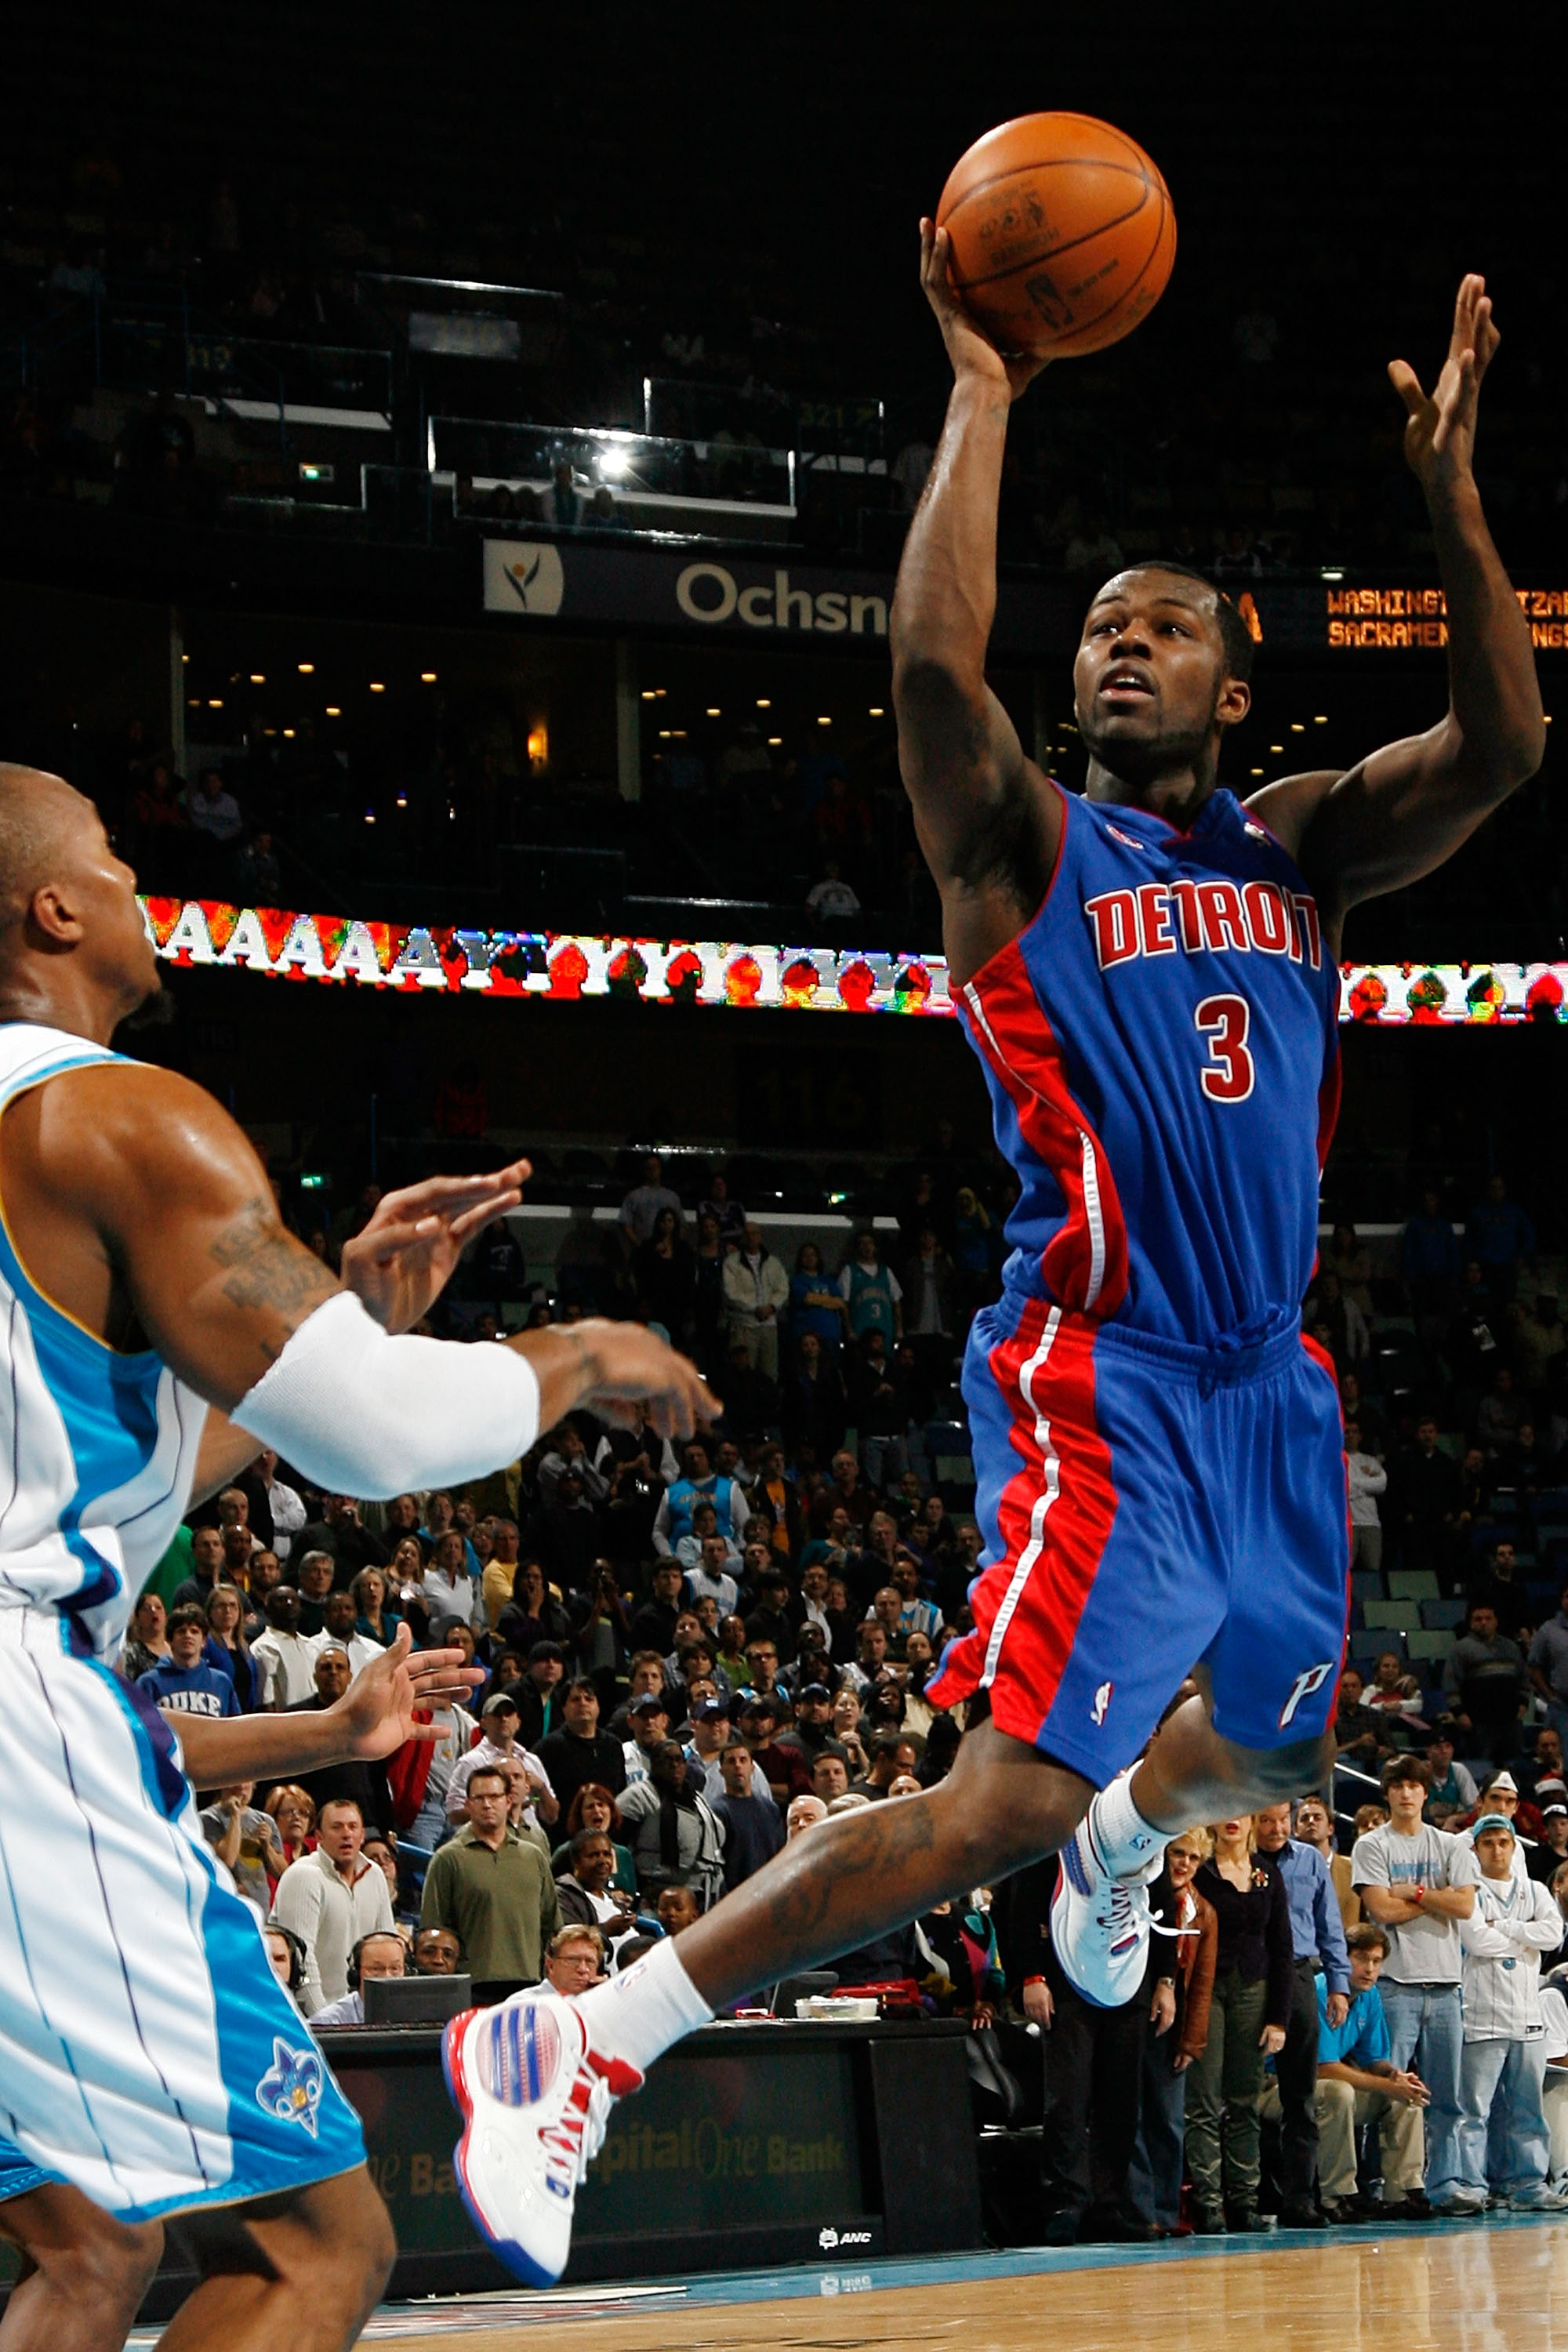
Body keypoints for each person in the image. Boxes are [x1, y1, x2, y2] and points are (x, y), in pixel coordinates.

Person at [438, 263, 1547, 2286]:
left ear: (1234, 691)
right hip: (1101, 1370)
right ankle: (583, 2040)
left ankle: (1128, 1836)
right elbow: (932, 675)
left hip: (1270, 1380)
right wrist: (981, 388)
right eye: (1100, 625)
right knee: (999, 1803)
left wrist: (1452, 497)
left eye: (1165, 626)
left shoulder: (1300, 851)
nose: (1119, 642)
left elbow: (1500, 740)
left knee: (1278, 1749)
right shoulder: (1019, 850)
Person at [1351, 1756, 1479, 2215]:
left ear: (1426, 1793)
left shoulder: (1450, 1844)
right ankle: (1378, 2183)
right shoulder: (1371, 1845)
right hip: (1395, 1985)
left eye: (1414, 1786)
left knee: (1447, 2098)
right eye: (1398, 1786)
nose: (1406, 1793)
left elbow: (1466, 1907)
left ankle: (1445, 2182)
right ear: (1387, 1793)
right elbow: (1382, 1910)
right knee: (1386, 2090)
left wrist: (1417, 1892)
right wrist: (1440, 1899)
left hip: (1445, 1986)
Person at [1269, 1924, 1429, 2223]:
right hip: (1279, 2087)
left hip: (1323, 2087)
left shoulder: (1370, 1997)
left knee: (1407, 2098)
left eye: (1376, 1961)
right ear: (1342, 1959)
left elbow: (1373, 2059)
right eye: (1361, 1959)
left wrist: (1396, 2076)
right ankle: (1336, 2195)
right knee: (1338, 2092)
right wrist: (1386, 2085)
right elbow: (1323, 2068)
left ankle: (1404, 2192)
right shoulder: (1320, 1990)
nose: (1370, 1969)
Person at [1454, 1813, 1568, 2212]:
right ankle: (1472, 2185)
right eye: (1488, 1843)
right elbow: (1475, 1940)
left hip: (1527, 2017)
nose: (1496, 1850)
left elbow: (1553, 1934)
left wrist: (1504, 1927)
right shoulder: (1468, 1891)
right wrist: (1524, 1938)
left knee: (1528, 2109)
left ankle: (1528, 2184)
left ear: (1514, 1845)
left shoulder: (1535, 1889)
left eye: (1503, 1842)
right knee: (1474, 2110)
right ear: (1475, 1848)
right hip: (1481, 2015)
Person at [1185, 1817, 1293, 2232]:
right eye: (1226, 1811)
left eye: (1243, 1812)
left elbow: (1282, 1946)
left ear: (1252, 1820)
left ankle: (1245, 2201)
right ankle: (1207, 2202)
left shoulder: (1268, 1875)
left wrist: (1278, 2018)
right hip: (1207, 1987)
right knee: (1204, 2099)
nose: (1233, 1820)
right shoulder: (1201, 1870)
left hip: (1254, 1989)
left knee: (1245, 2099)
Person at [1250, 1798, 1351, 2227]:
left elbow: (1330, 1925)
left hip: (1299, 1974)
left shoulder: (1310, 1860)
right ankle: (1240, 2199)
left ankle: (1300, 2199)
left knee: (1301, 2096)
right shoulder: (1240, 1860)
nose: (1277, 1829)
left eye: (1282, 1820)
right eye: (1266, 1821)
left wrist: (1339, 1986)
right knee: (1239, 2094)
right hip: (1251, 1975)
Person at [1125, 1828, 1217, 2237]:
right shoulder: (1136, 1895)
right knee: (1132, 2116)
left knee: (1167, 2121)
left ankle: (1165, 2211)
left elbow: (1203, 1984)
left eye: (1194, 1858)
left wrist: (1192, 2042)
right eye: (1178, 1853)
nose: (1184, 1864)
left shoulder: (1205, 1911)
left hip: (1173, 2028)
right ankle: (1140, 2211)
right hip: (1132, 2012)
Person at [419, 1766, 562, 1998]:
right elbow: (433, 1928)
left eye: (494, 1797)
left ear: (508, 1801)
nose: (487, 1805)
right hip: (471, 1987)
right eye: (480, 1798)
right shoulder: (447, 1859)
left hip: (530, 1983)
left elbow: (551, 1924)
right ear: (468, 1804)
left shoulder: (534, 1857)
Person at [269, 1796, 395, 2016]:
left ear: (362, 1835)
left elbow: (388, 1946)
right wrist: (323, 2021)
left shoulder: (375, 1875)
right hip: (310, 2016)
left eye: (352, 1827)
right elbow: (302, 1959)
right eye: (337, 1827)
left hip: (364, 2015)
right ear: (319, 1836)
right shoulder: (303, 1876)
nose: (346, 1834)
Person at [136, 1602, 242, 1718]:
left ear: (204, 1641)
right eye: (181, 1631)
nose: (188, 1636)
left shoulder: (221, 1682)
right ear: (170, 1640)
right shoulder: (149, 1683)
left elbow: (234, 1726)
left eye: (194, 1631)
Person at [310, 1931, 408, 2028]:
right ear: (356, 1974)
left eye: (395, 1968)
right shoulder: (327, 2021)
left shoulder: (414, 2015)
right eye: (376, 1969)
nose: (387, 1976)